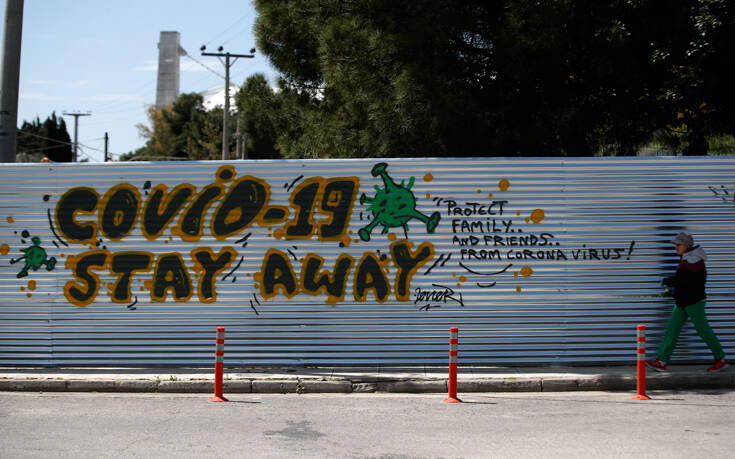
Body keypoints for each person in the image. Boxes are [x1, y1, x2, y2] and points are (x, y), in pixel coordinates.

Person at [646, 231, 728, 372]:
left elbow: (686, 281)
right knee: (672, 330)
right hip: (683, 301)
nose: (676, 247)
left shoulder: (694, 260)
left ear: (686, 244)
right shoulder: (687, 257)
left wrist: (668, 282)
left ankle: (721, 359)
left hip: (694, 302)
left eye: (678, 244)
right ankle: (662, 361)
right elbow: (685, 281)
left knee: (704, 331)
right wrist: (674, 290)